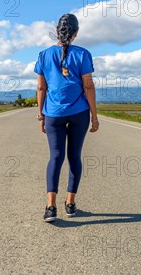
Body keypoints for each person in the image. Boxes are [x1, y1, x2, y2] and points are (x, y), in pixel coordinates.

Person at [33, 13, 99, 222]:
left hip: (53, 113)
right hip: (79, 113)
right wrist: (94, 116)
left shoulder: (44, 55)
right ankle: (70, 204)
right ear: (76, 33)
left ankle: (50, 206)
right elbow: (88, 85)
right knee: (74, 157)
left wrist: (41, 114)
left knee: (56, 156)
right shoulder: (83, 54)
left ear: (57, 31)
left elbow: (41, 87)